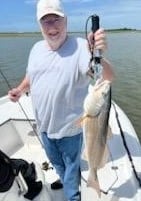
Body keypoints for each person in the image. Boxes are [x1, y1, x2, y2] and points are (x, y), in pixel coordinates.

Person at [8, 0, 114, 200]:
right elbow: (31, 76)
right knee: (56, 163)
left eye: (56, 19)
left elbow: (106, 78)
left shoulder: (82, 47)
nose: (52, 27)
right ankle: (63, 176)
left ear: (66, 21)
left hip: (70, 131)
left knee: (71, 168)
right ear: (39, 25)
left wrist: (99, 52)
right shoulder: (36, 48)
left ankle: (73, 195)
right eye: (46, 21)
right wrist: (20, 90)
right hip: (44, 127)